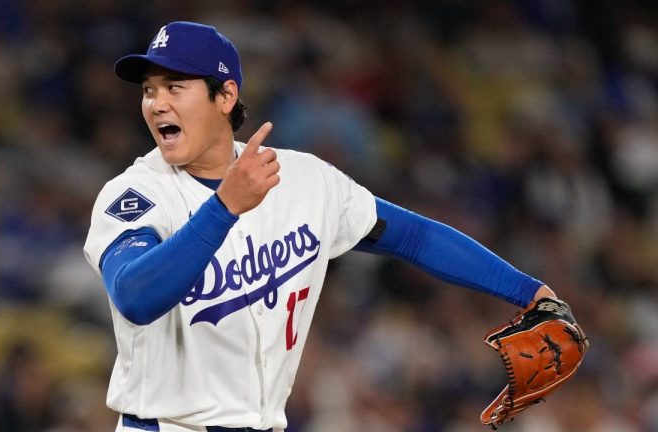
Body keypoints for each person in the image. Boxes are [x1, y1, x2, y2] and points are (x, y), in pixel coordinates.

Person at [83, 21, 559, 432]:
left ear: (225, 95)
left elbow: (415, 236)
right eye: (149, 89)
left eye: (174, 87)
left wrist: (530, 292)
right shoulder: (135, 196)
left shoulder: (305, 180)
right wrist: (224, 207)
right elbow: (134, 297)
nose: (156, 104)